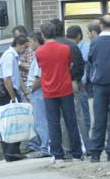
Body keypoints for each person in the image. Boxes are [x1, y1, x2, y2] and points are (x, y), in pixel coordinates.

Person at [37, 22, 83, 162]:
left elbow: (41, 66)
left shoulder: (39, 51)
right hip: (65, 88)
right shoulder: (65, 48)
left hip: (49, 91)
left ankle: (58, 155)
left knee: (53, 123)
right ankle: (76, 153)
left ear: (43, 35)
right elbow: (69, 63)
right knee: (71, 122)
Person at [88, 14, 110, 162]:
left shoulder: (95, 42)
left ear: (101, 26)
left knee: (99, 119)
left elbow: (91, 60)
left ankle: (95, 152)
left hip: (99, 84)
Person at [0, 35, 27, 162]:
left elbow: (16, 77)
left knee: (13, 121)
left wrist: (24, 93)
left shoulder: (13, 56)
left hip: (9, 91)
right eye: (24, 47)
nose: (25, 50)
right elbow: (7, 80)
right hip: (6, 92)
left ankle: (13, 151)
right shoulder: (9, 56)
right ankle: (10, 152)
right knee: (10, 122)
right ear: (18, 44)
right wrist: (13, 97)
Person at [25, 32, 51, 158]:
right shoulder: (38, 54)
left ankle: (46, 147)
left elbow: (39, 78)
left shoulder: (40, 54)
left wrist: (31, 89)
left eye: (30, 41)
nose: (28, 44)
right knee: (40, 120)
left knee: (41, 121)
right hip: (38, 91)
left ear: (36, 41)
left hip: (38, 91)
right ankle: (45, 145)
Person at [65, 25, 90, 151]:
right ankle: (83, 144)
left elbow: (84, 66)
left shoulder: (85, 48)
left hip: (80, 84)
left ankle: (86, 143)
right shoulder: (74, 47)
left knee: (83, 116)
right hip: (77, 83)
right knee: (80, 115)